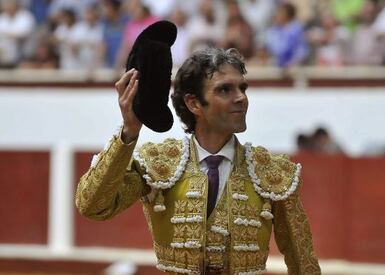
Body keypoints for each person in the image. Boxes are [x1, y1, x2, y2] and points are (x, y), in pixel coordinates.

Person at [75, 47, 321, 274]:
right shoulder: (158, 163)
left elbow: (303, 261)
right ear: (193, 103)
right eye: (225, 89)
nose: (241, 98)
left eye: (242, 88)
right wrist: (128, 132)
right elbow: (93, 206)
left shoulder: (271, 171)